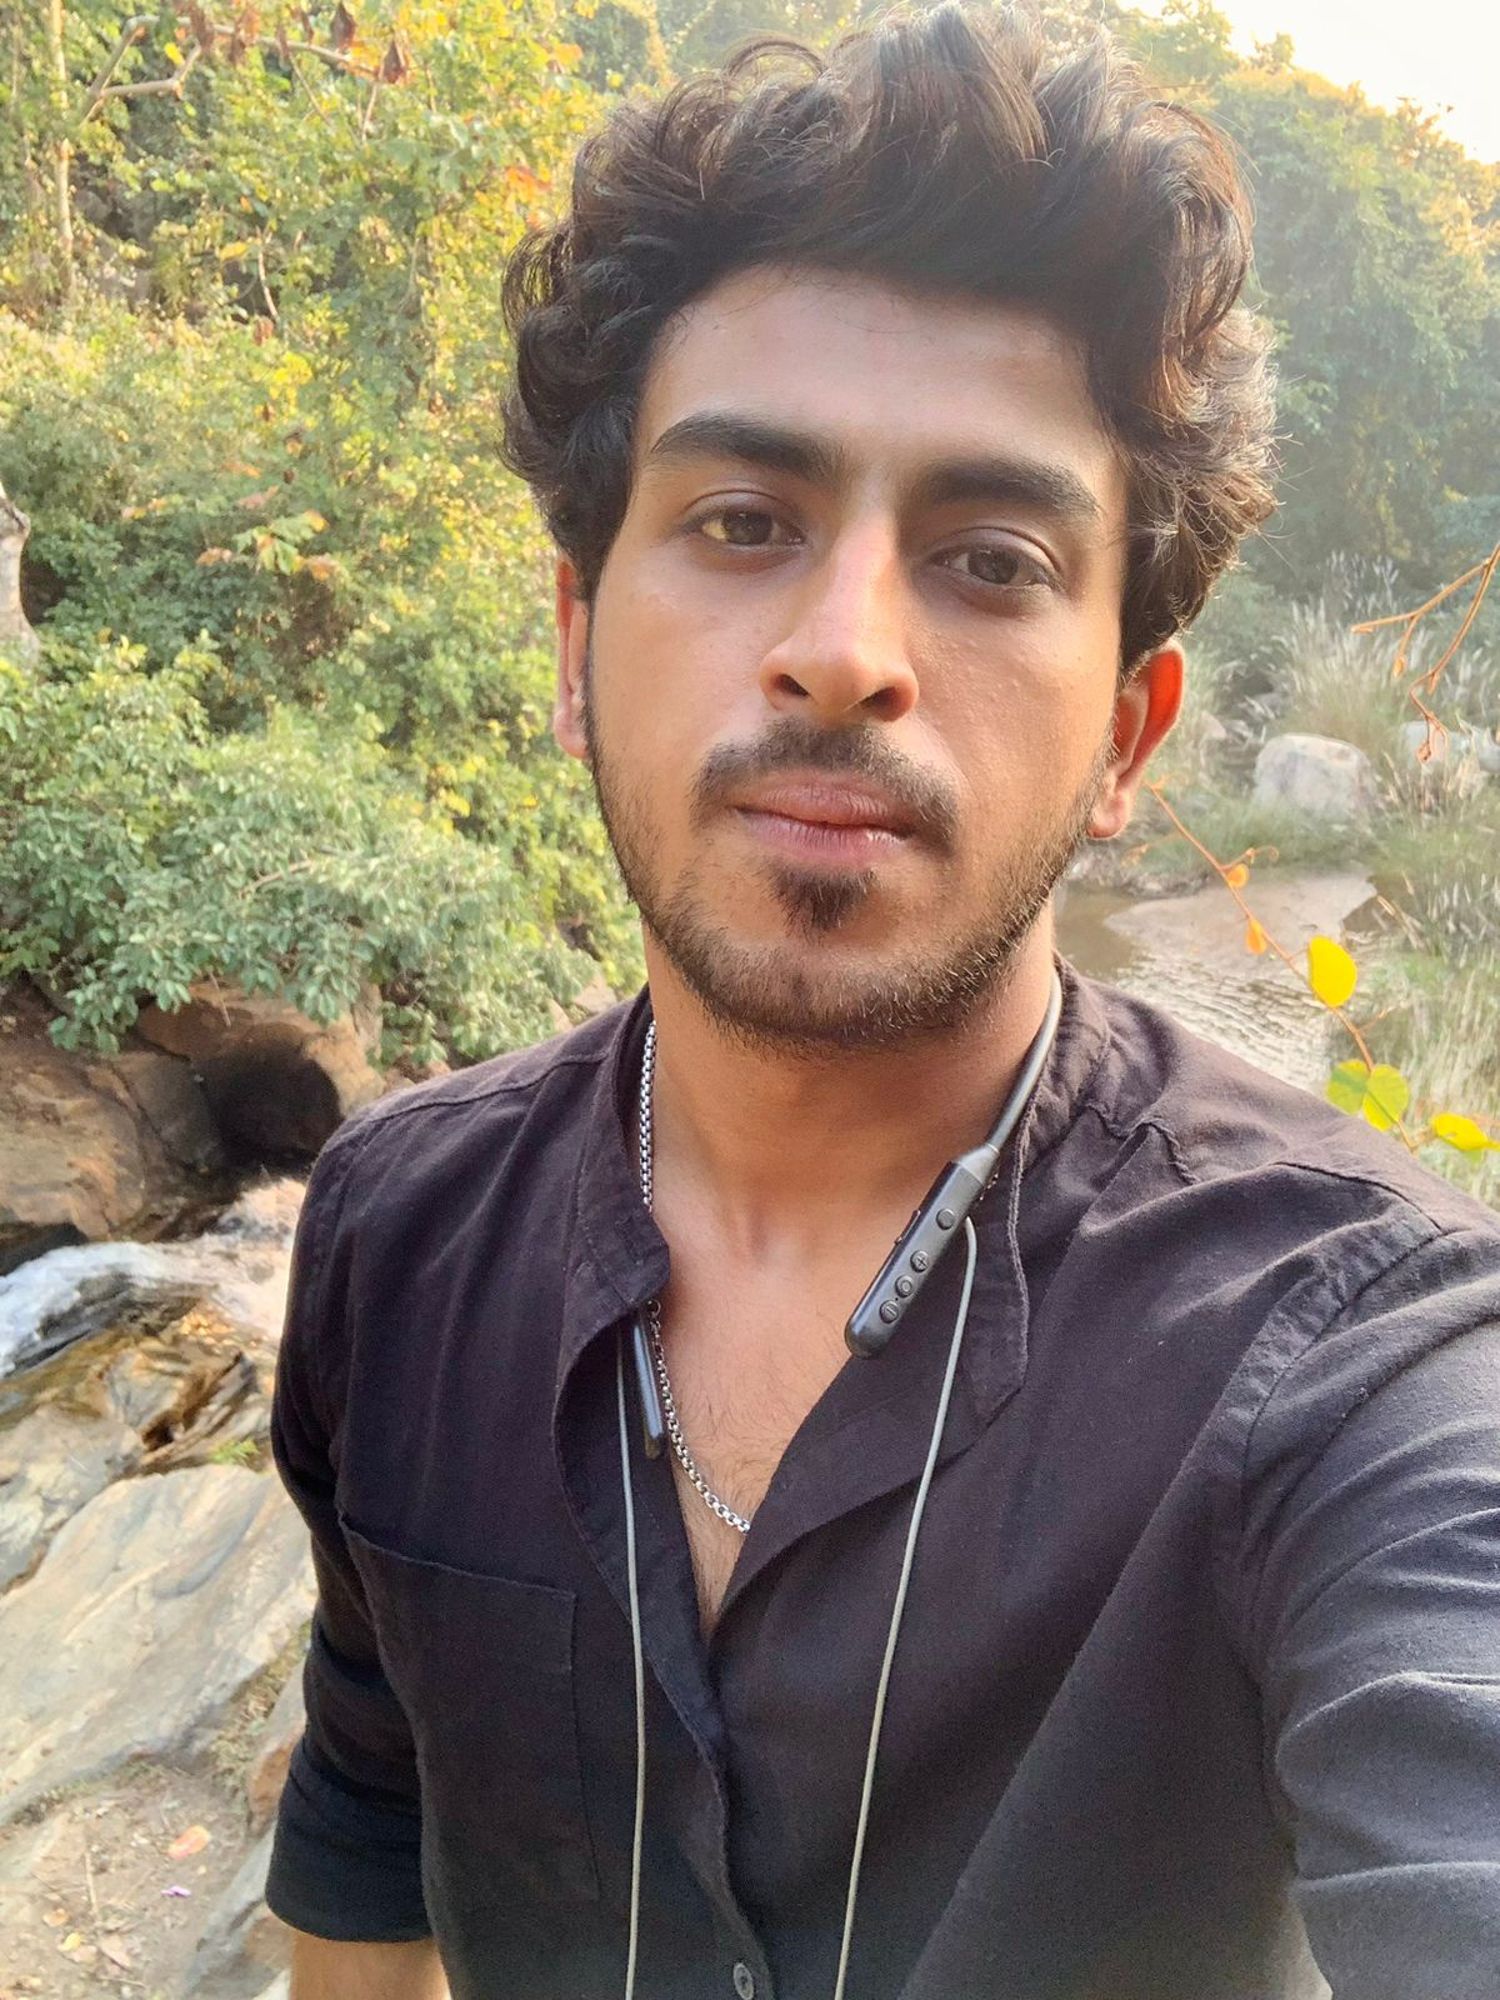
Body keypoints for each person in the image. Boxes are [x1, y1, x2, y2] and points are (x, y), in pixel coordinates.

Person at [265, 7, 1500, 1997]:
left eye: (991, 558)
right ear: (577, 647)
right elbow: (366, 1840)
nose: (844, 652)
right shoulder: (397, 1239)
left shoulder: (1356, 1365)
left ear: (1129, 734)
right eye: (743, 523)